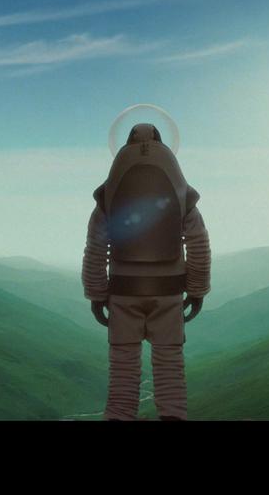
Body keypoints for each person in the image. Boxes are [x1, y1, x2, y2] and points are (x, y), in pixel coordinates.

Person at [81, 122, 211, 421]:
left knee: (123, 374)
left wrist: (97, 294)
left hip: (123, 293)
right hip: (169, 293)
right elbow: (198, 244)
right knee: (169, 370)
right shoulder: (183, 193)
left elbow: (96, 248)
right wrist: (196, 289)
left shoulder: (108, 194)